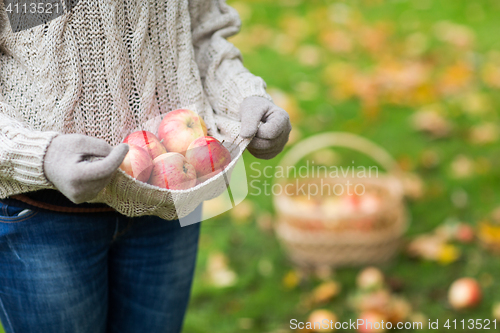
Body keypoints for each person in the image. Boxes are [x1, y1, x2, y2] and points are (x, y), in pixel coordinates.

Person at [0, 1, 291, 332]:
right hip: (45, 218)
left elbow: (203, 33)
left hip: (170, 198)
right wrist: (39, 154)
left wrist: (244, 98)